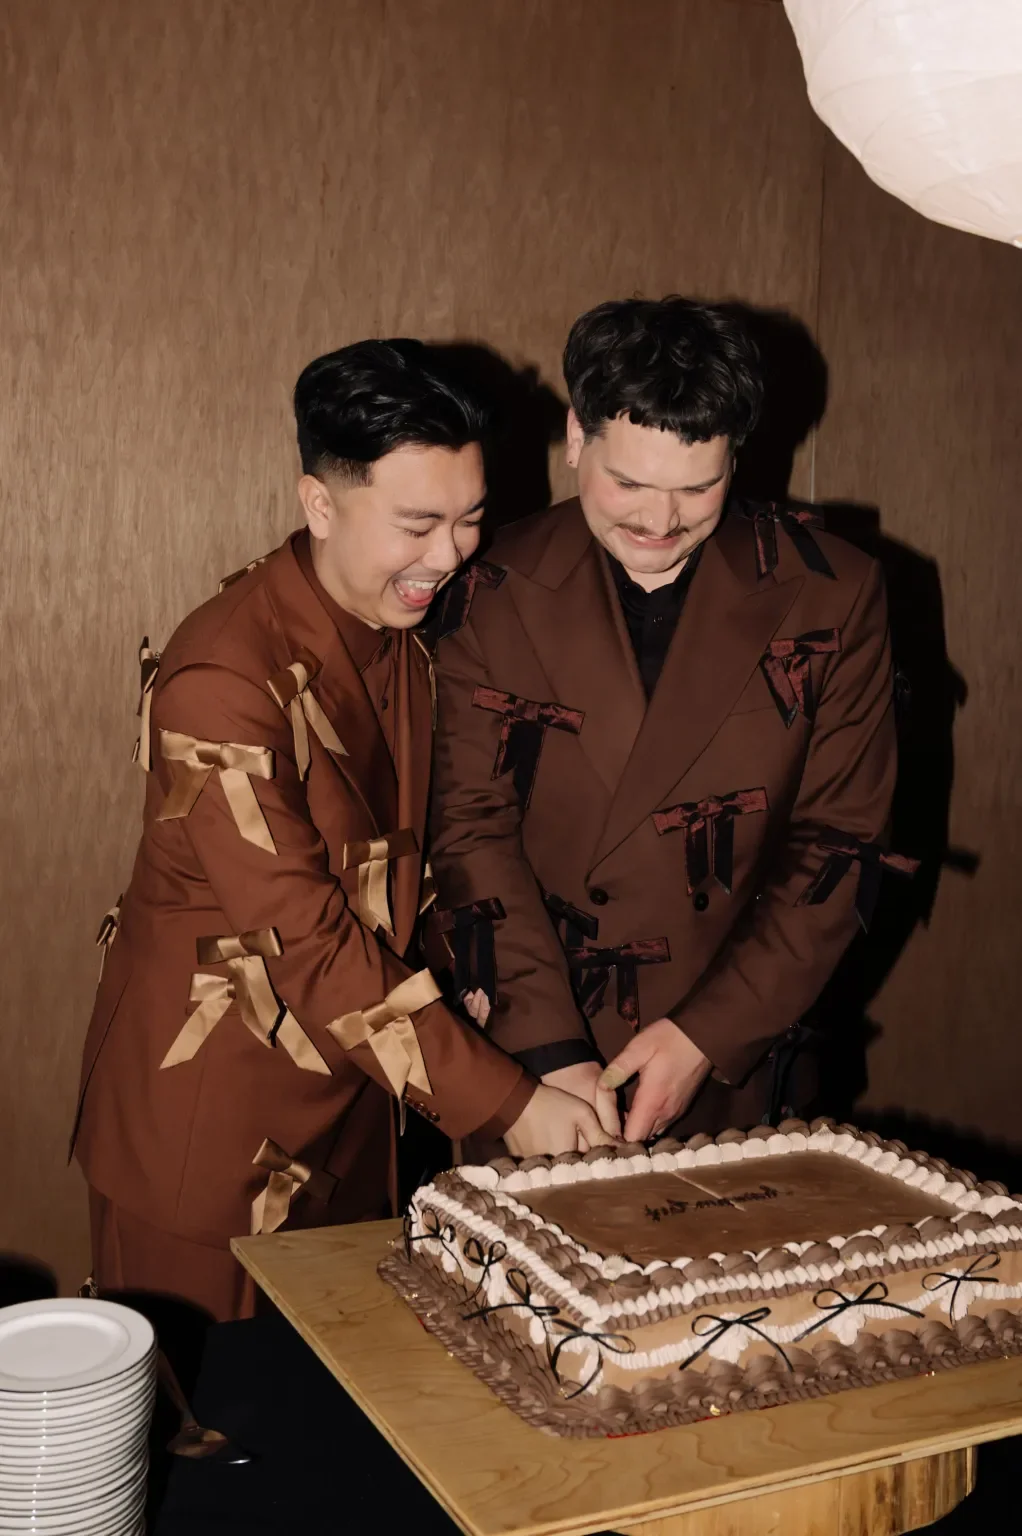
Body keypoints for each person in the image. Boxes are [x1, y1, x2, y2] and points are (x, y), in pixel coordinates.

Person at [72, 339, 611, 1325]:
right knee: (208, 1445)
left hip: (357, 1117)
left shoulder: (401, 624)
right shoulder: (219, 678)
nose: (449, 556)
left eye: (468, 520)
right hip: (209, 1138)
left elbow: (423, 858)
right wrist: (508, 1105)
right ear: (319, 505)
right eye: (417, 525)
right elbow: (307, 941)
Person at [428, 297, 907, 1149]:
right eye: (629, 483)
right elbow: (471, 830)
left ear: (738, 458)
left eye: (698, 487)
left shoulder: (834, 590)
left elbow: (838, 842)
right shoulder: (487, 585)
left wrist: (704, 1038)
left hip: (737, 1057)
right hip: (531, 1060)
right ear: (576, 438)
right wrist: (550, 1050)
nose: (659, 522)